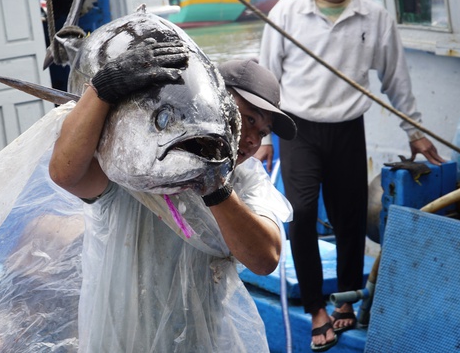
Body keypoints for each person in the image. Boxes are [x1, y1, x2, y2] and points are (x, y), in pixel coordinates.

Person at [257, 0, 445, 352]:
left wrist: (415, 132)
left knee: (350, 217)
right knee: (302, 213)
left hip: (347, 129)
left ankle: (344, 301)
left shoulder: (373, 17)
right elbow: (268, 76)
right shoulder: (286, 13)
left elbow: (396, 80)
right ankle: (315, 309)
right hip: (298, 129)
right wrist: (264, 136)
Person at [48, 48, 297, 351]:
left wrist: (215, 187)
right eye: (249, 119)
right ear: (214, 103)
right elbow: (65, 174)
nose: (253, 140)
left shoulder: (247, 181)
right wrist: (101, 91)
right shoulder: (140, 158)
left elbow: (265, 258)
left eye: (263, 132)